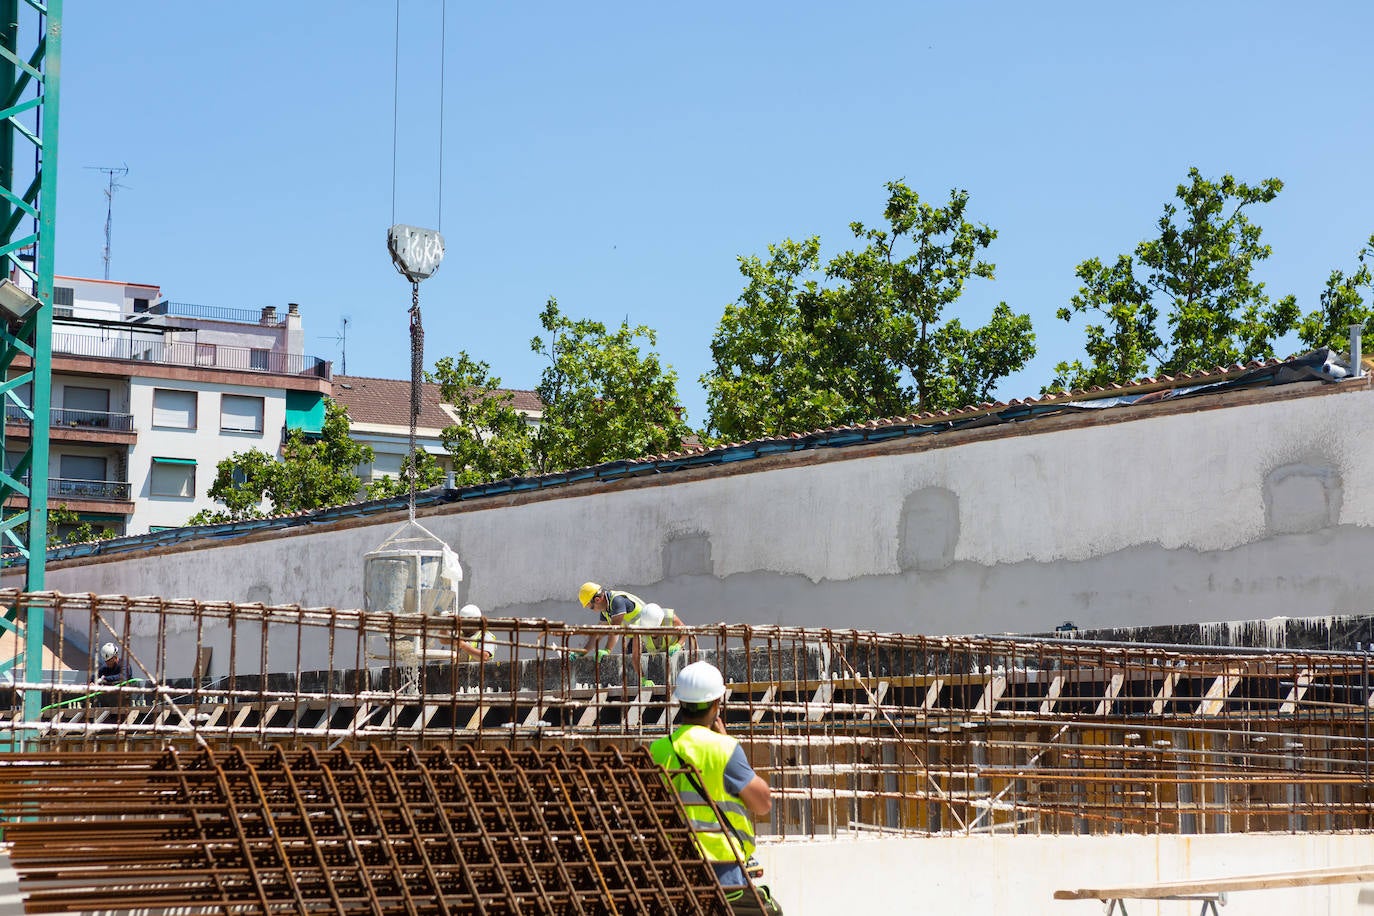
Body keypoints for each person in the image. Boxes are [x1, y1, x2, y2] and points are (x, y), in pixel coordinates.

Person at [649, 661, 771, 891]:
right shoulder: (725, 749)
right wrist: (725, 740)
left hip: (674, 863)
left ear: (681, 703)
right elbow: (762, 803)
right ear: (716, 704)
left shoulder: (658, 749)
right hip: (722, 865)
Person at [577, 581, 692, 686]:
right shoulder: (607, 610)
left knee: (662, 667)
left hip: (647, 634)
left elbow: (614, 629)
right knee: (634, 665)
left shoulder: (617, 601)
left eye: (591, 607)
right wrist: (582, 652)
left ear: (597, 600)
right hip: (640, 633)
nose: (592, 610)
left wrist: (607, 649)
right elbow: (598, 632)